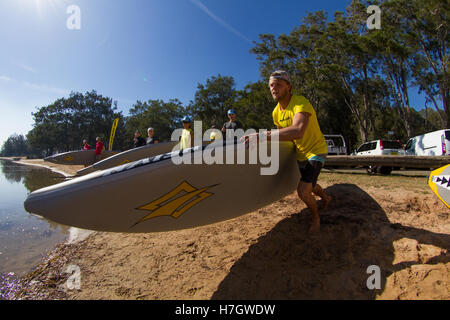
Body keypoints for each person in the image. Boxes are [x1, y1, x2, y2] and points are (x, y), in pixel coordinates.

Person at [244, 70, 332, 233]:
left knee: (303, 191)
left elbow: (297, 130)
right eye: (271, 85)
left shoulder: (300, 103)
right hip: (299, 154)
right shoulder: (276, 112)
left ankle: (316, 218)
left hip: (315, 151)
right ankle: (326, 198)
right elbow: (283, 137)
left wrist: (262, 136)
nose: (274, 88)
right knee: (310, 185)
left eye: (278, 84)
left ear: (288, 86)